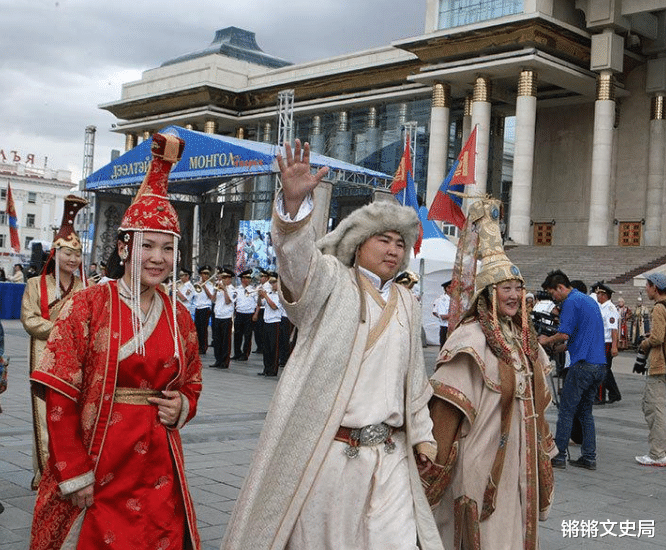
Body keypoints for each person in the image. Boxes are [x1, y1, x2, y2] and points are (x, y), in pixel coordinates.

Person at [222, 139, 442, 550]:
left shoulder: (408, 303)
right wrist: (293, 208)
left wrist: (423, 435)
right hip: (332, 453)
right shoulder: (332, 282)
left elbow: (415, 380)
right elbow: (297, 261)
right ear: (358, 243)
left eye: (400, 242)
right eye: (383, 239)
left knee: (399, 541)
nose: (393, 250)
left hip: (391, 454)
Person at [29, 132, 202, 550]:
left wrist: (183, 406)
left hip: (159, 460)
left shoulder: (179, 315)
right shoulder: (87, 306)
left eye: (167, 248)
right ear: (125, 247)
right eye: (147, 246)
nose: (158, 258)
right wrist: (72, 470)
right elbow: (59, 395)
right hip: (102, 454)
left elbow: (191, 380)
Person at [427, 198, 555, 550]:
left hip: (522, 454)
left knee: (516, 531)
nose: (514, 296)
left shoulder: (524, 339)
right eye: (505, 288)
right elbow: (446, 413)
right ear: (488, 294)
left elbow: (539, 400)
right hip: (483, 458)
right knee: (486, 535)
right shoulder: (469, 340)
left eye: (518, 287)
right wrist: (433, 469)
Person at [20, 195, 88, 489]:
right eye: (68, 253)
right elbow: (29, 319)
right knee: (43, 414)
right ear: (55, 253)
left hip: (73, 359)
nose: (73, 259)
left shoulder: (86, 288)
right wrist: (62, 329)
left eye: (77, 254)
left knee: (69, 415)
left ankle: (68, 468)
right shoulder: (36, 285)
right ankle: (44, 472)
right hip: (43, 355)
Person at [539, 269, 606, 470]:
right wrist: (559, 346)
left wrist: (546, 340)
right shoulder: (587, 300)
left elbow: (564, 334)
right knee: (585, 412)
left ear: (560, 287)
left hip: (583, 365)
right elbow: (581, 335)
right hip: (599, 364)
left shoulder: (570, 302)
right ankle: (589, 456)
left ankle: (558, 456)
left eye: (553, 293)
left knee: (567, 411)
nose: (554, 298)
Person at [635, 272, 666, 466]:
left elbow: (657, 339)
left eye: (647, 285)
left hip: (659, 364)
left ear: (655, 287)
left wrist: (645, 343)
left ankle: (657, 454)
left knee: (654, 409)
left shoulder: (659, 308)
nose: (646, 289)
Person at [594, 282, 621, 404]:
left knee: (601, 369)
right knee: (606, 369)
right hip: (601, 341)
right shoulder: (601, 307)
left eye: (599, 293)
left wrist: (614, 346)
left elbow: (613, 329)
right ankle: (614, 393)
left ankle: (600, 397)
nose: (597, 296)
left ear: (604, 295)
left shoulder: (610, 308)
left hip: (607, 342)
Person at [257, 274, 282, 377]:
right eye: (271, 283)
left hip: (275, 322)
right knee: (266, 347)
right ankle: (266, 368)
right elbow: (260, 304)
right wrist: (260, 296)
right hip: (267, 321)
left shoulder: (280, 295)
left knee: (273, 347)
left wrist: (266, 296)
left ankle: (273, 369)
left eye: (274, 283)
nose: (272, 285)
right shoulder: (270, 294)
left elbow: (274, 306)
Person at [211, 268, 236, 369]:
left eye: (226, 277)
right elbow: (213, 300)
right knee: (217, 340)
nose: (223, 279)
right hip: (218, 316)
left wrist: (225, 290)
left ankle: (225, 362)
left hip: (226, 317)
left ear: (230, 279)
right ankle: (218, 360)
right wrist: (216, 291)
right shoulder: (218, 287)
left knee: (225, 341)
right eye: (223, 277)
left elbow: (227, 301)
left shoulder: (232, 290)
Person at [232, 269, 256, 361]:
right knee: (237, 335)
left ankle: (245, 354)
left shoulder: (253, 290)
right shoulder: (237, 289)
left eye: (249, 278)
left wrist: (255, 314)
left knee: (247, 335)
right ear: (242, 279)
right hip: (239, 313)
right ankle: (237, 353)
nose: (249, 280)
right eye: (247, 278)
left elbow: (258, 303)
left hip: (249, 314)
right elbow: (234, 301)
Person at [192, 265, 214, 354]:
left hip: (205, 308)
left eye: (208, 274)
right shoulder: (196, 284)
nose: (206, 276)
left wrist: (204, 287)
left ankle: (203, 347)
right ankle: (197, 346)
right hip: (197, 308)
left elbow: (211, 297)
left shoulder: (211, 285)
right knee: (197, 328)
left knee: (203, 329)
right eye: (204, 273)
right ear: (201, 274)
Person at [432, 280, 452, 348]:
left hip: (454, 326)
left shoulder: (454, 299)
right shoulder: (442, 300)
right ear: (447, 288)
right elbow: (442, 316)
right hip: (446, 327)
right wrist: (455, 315)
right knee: (444, 348)